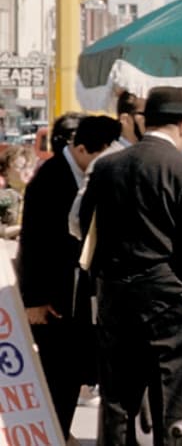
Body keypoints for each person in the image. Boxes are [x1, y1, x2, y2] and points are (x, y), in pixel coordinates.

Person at [79, 87, 182, 446]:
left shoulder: (106, 167)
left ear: (144, 122)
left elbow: (82, 224)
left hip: (115, 298)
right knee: (179, 405)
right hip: (171, 302)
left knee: (118, 405)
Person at [20, 114, 119, 436]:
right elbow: (33, 242)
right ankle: (54, 433)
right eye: (96, 155)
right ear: (79, 148)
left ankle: (60, 431)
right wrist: (33, 300)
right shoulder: (50, 178)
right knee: (55, 374)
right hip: (50, 297)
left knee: (70, 371)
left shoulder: (85, 176)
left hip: (74, 295)